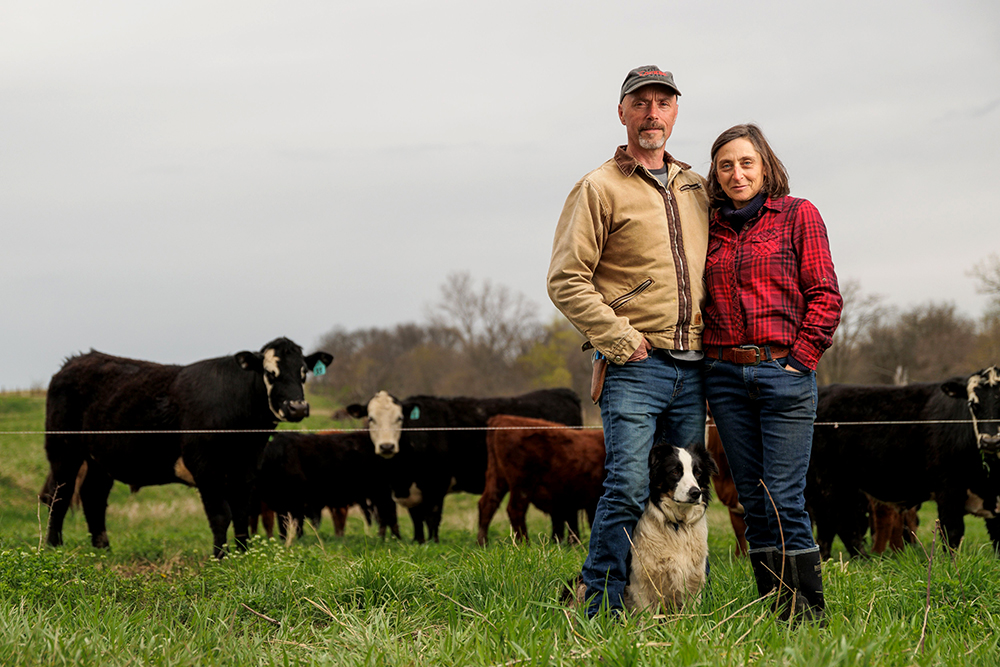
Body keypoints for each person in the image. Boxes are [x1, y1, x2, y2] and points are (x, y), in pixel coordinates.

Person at [547, 66, 710, 618]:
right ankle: (600, 606)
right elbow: (566, 279)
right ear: (622, 113)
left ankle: (678, 602)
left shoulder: (695, 186)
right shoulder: (599, 186)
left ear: (675, 113)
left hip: (694, 364)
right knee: (626, 483)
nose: (652, 113)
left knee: (687, 492)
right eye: (640, 103)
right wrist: (617, 340)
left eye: (663, 103)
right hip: (636, 364)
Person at [701, 123, 842, 622]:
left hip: (783, 371)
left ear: (765, 166)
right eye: (725, 166)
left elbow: (825, 295)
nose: (736, 173)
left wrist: (799, 361)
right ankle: (774, 609)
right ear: (715, 176)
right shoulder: (710, 226)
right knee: (753, 502)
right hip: (724, 377)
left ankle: (807, 616)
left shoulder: (798, 215)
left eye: (746, 163)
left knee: (784, 498)